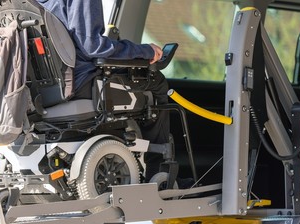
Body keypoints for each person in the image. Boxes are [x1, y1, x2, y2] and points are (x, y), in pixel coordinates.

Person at [36, 0, 187, 184]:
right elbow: (93, 47)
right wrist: (146, 51)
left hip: (44, 90)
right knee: (156, 82)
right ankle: (157, 173)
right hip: (80, 83)